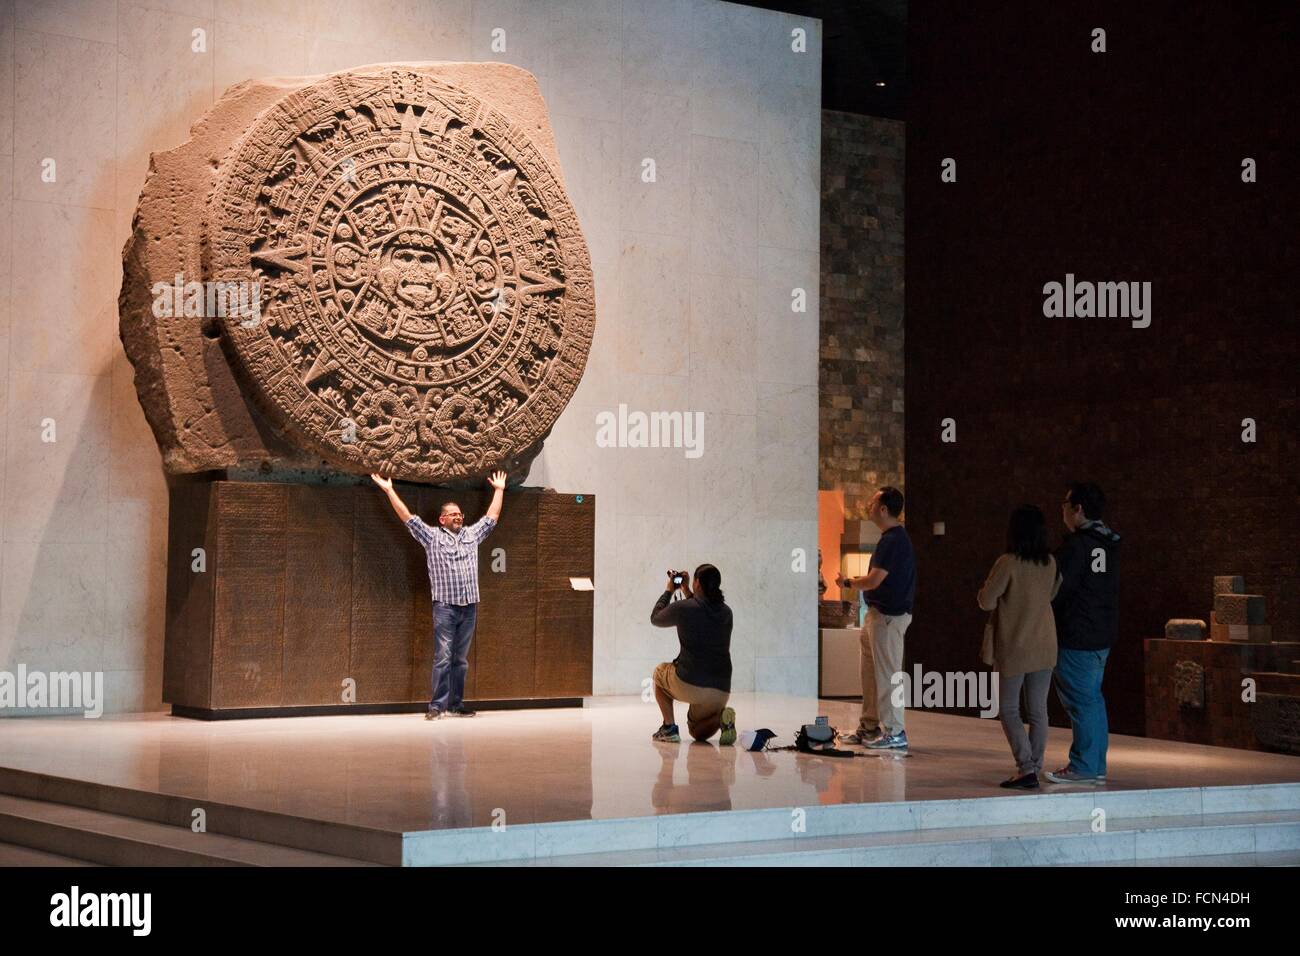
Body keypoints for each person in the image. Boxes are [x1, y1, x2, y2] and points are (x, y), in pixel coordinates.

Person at [371, 469, 507, 720]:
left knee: (460, 659)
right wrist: (390, 490)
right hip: (445, 607)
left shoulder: (471, 535)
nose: (458, 516)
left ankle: (456, 704)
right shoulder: (432, 537)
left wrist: (499, 489)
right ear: (442, 519)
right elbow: (408, 518)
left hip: (469, 607)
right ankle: (437, 706)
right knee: (443, 657)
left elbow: (492, 517)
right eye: (452, 514)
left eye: (459, 514)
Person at [977, 505, 1062, 789]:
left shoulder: (1008, 562)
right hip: (1046, 644)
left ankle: (1025, 768)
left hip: (1015, 645)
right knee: (1038, 711)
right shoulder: (1050, 562)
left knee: (1009, 708)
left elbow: (986, 601)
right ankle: (1034, 767)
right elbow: (1052, 594)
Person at [1045, 481, 1121, 784]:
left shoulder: (1077, 546)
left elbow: (1059, 589)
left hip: (1077, 634)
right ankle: (1095, 763)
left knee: (1082, 701)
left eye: (1065, 504)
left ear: (1077, 509)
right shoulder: (1108, 543)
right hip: (1102, 633)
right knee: (1093, 699)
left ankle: (1084, 766)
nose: (1062, 509)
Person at [835, 486, 915, 750]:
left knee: (887, 674)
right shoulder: (890, 539)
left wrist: (848, 581)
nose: (867, 506)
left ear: (883, 509)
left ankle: (896, 731)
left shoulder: (894, 540)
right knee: (870, 674)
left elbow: (874, 580)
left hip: (889, 618)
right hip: (878, 615)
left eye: (871, 502)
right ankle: (869, 727)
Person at [649, 564, 735, 745]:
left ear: (697, 583)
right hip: (721, 689)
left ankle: (669, 728)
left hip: (690, 683)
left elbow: (656, 618)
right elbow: (702, 610)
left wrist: (669, 591)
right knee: (697, 733)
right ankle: (721, 718)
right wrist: (687, 590)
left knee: (659, 673)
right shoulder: (727, 612)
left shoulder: (683, 608)